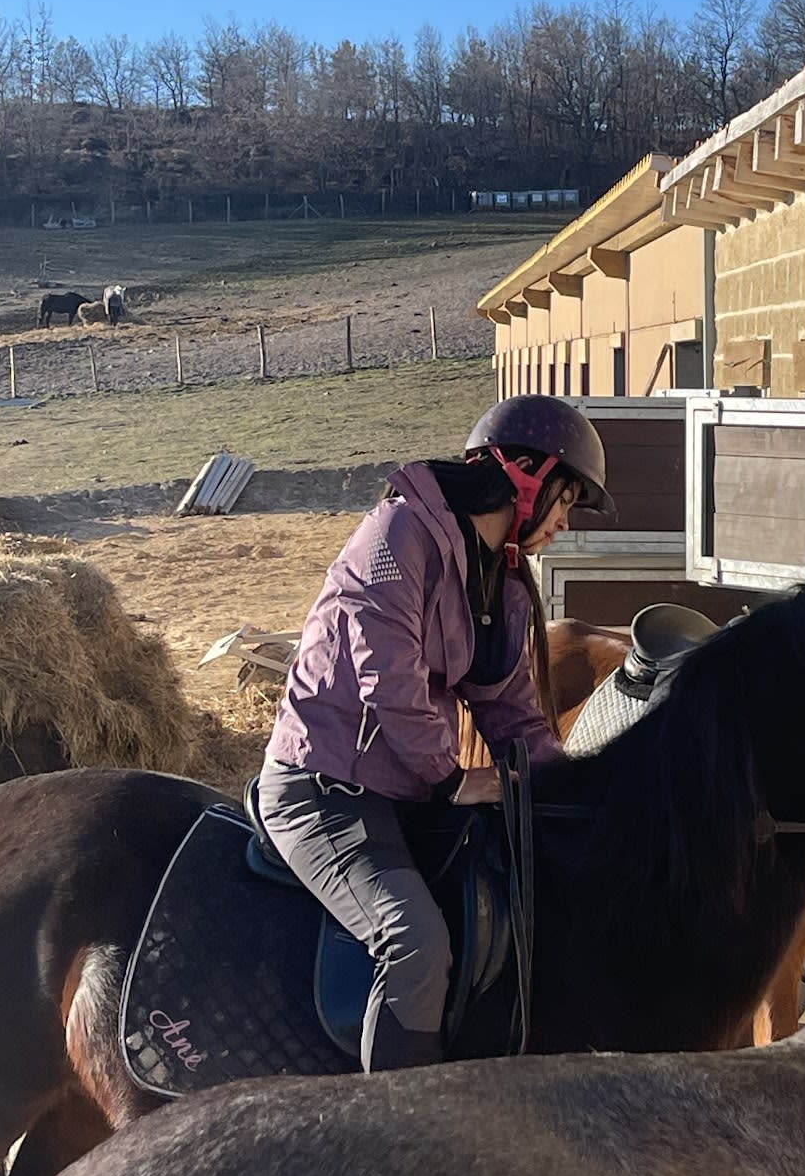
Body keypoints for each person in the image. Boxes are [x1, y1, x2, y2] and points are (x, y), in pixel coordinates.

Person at [257, 394, 615, 1073]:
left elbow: (512, 713)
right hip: (323, 788)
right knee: (414, 941)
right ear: (526, 478)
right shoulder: (397, 536)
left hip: (398, 794)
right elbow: (384, 674)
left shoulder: (500, 586)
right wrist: (450, 776)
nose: (564, 525)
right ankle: (393, 1142)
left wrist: (575, 792)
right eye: (565, 502)